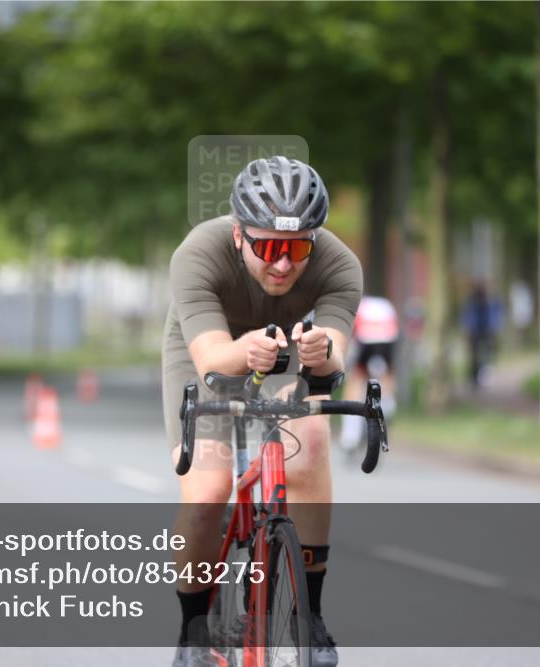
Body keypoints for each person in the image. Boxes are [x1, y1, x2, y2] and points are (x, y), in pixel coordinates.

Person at [163, 156, 362, 667]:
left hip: (287, 348)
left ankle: (310, 619)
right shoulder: (198, 254)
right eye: (268, 247)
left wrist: (323, 352)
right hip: (209, 349)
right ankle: (192, 630)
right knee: (208, 490)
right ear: (237, 236)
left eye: (296, 249)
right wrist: (244, 348)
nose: (282, 263)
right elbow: (210, 360)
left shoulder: (339, 265)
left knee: (312, 441)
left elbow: (334, 361)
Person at [338, 296, 399, 457]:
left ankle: (350, 436)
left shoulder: (354, 306)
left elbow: (348, 336)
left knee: (356, 379)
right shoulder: (385, 305)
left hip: (365, 335)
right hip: (388, 336)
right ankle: (387, 404)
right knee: (386, 375)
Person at [461, 282, 502, 388]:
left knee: (484, 356)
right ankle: (474, 378)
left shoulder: (488, 303)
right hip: (476, 333)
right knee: (476, 357)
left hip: (483, 332)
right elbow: (468, 319)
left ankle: (481, 378)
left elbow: (494, 317)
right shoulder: (472, 303)